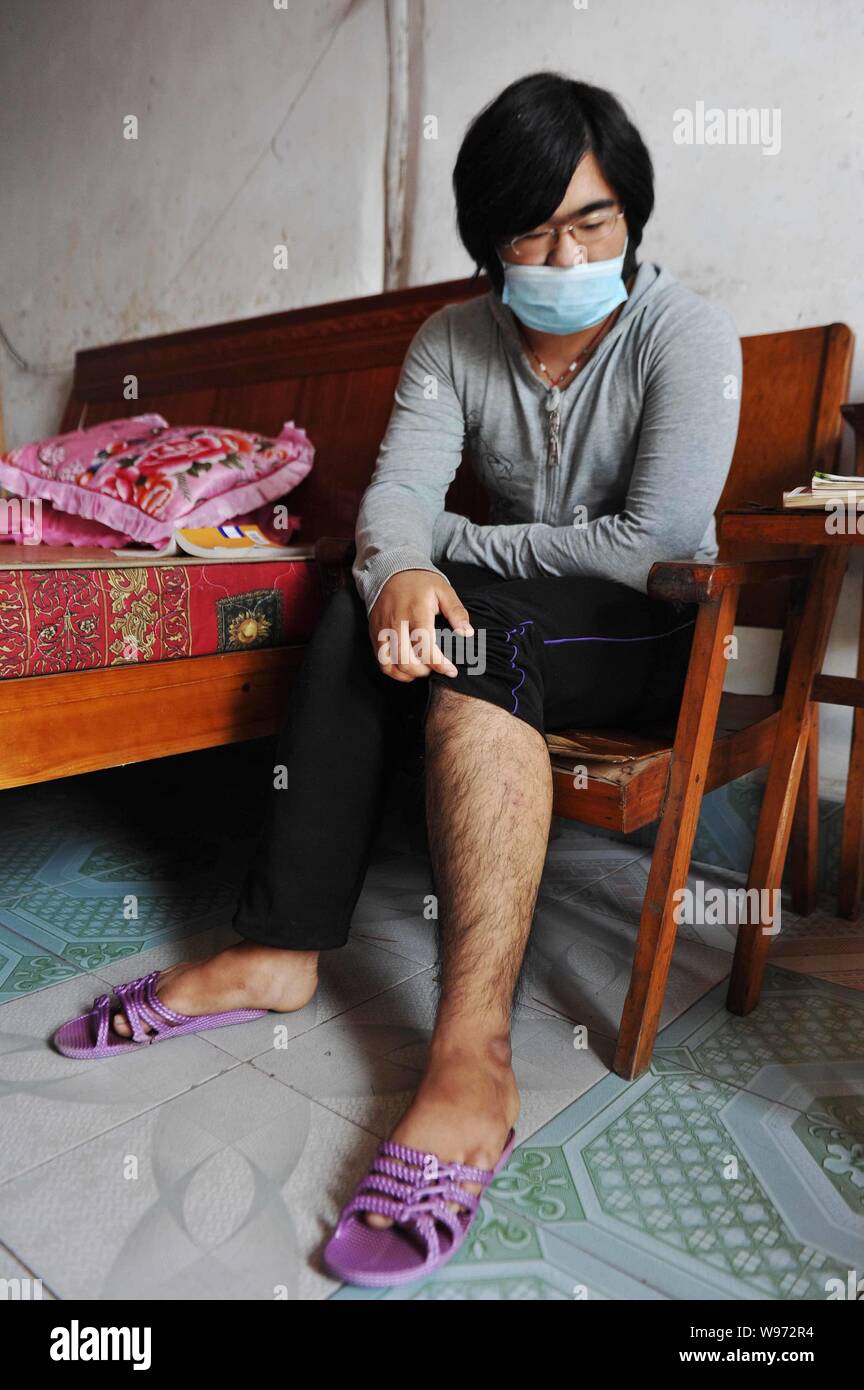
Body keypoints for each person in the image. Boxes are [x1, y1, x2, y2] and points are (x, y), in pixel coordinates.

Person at [53, 71, 742, 1286]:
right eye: (535, 228)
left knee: (469, 621)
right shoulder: (452, 342)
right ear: (491, 246)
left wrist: (446, 555)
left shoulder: (683, 335)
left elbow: (653, 545)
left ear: (633, 216)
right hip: (521, 613)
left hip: (642, 639)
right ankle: (279, 949)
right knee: (360, 607)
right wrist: (403, 571)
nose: (568, 249)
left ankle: (472, 1053)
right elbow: (390, 513)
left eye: (595, 220)